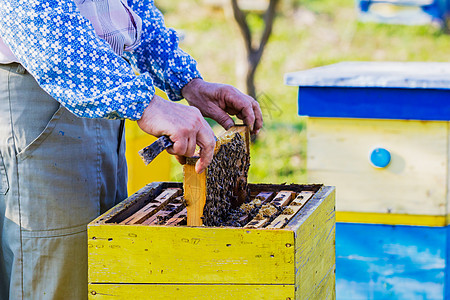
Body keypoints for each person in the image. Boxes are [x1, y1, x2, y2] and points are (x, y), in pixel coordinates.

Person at [0, 0, 263, 298]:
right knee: (58, 277)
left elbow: (130, 6)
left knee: (102, 271)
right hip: (47, 86)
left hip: (104, 90)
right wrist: (146, 104)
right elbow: (37, 19)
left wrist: (186, 80)